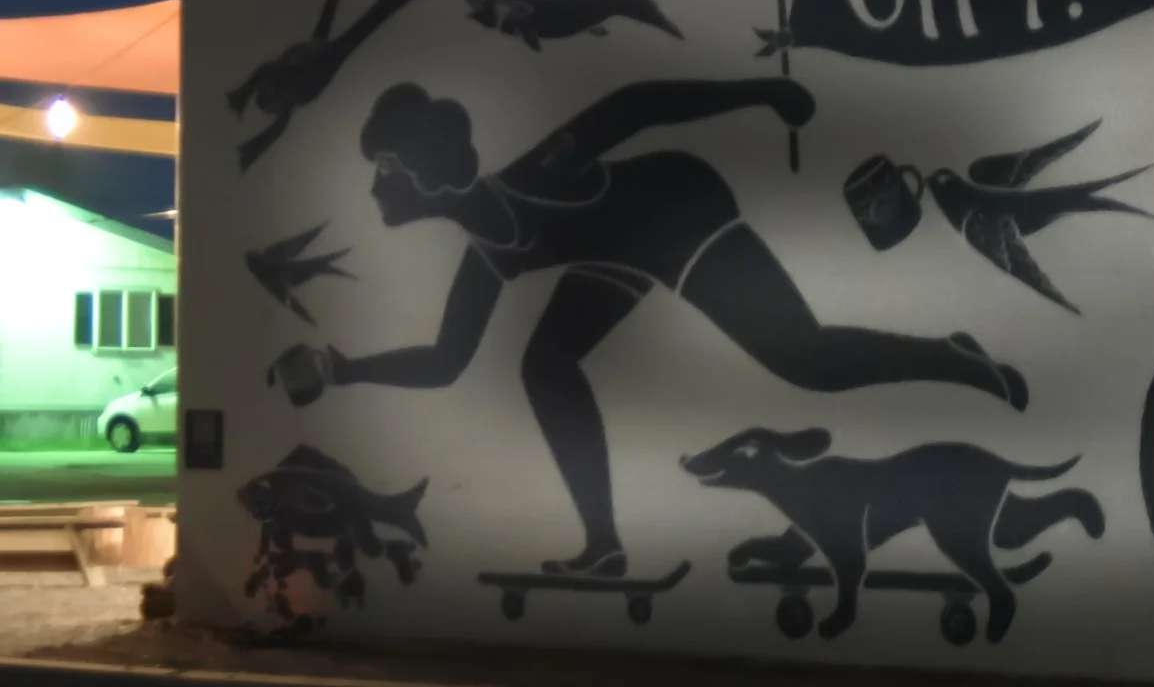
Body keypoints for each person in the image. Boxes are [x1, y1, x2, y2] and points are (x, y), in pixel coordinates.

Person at [277, 76, 1027, 577]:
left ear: (422, 171)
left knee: (806, 360)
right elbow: (447, 361)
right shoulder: (486, 256)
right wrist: (341, 369)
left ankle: (951, 355)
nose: (374, 186)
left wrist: (763, 92)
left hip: (677, 212)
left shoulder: (533, 179)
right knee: (544, 367)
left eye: (384, 168)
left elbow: (633, 106)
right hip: (618, 252)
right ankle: (604, 545)